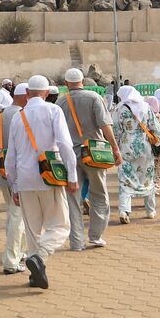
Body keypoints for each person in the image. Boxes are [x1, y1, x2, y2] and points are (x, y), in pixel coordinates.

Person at [4, 76, 77, 289]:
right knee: (61, 225)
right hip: (49, 176)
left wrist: (14, 186)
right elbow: (64, 144)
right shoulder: (53, 111)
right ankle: (40, 257)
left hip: (25, 179)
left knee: (32, 230)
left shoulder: (19, 116)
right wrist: (72, 176)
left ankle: (35, 274)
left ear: (27, 94)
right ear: (46, 93)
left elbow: (11, 157)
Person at [55, 69, 121, 251]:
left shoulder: (60, 102)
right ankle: (96, 235)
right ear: (82, 81)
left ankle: (76, 242)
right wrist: (115, 148)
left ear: (67, 84)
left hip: (70, 155)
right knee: (99, 194)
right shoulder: (93, 97)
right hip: (94, 153)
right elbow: (104, 125)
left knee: (73, 199)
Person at [0, 83, 29, 274]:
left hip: (1, 170)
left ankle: (21, 251)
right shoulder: (23, 116)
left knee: (14, 213)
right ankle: (11, 260)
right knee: (18, 216)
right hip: (19, 173)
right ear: (26, 96)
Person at [112, 86, 160, 222]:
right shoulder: (146, 107)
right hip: (145, 147)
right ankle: (150, 210)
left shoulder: (119, 109)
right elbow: (156, 128)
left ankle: (124, 211)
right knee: (147, 177)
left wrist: (114, 148)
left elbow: (115, 131)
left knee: (125, 179)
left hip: (127, 147)